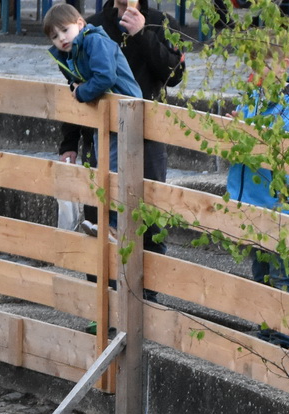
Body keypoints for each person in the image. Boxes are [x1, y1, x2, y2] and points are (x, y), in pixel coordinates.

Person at [58, 0, 185, 253]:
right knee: (97, 219)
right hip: (98, 134)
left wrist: (143, 34)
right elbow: (75, 86)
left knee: (148, 220)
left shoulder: (161, 22)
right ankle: (101, 288)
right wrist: (69, 144)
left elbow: (175, 74)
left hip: (147, 137)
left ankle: (147, 293)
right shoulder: (91, 25)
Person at [46, 2, 142, 242]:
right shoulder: (71, 54)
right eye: (55, 36)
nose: (61, 39)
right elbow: (76, 81)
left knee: (115, 171)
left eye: (65, 30)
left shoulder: (94, 41)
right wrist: (76, 88)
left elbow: (105, 76)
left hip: (125, 109)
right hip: (106, 114)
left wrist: (80, 92)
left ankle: (115, 227)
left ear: (80, 23)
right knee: (104, 170)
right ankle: (107, 225)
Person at [224, 52, 289, 295]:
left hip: (277, 204)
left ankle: (285, 333)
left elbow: (282, 147)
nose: (257, 70)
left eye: (264, 62)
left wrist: (245, 131)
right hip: (251, 201)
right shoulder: (253, 96)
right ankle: (268, 330)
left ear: (284, 65)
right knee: (261, 273)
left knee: (282, 276)